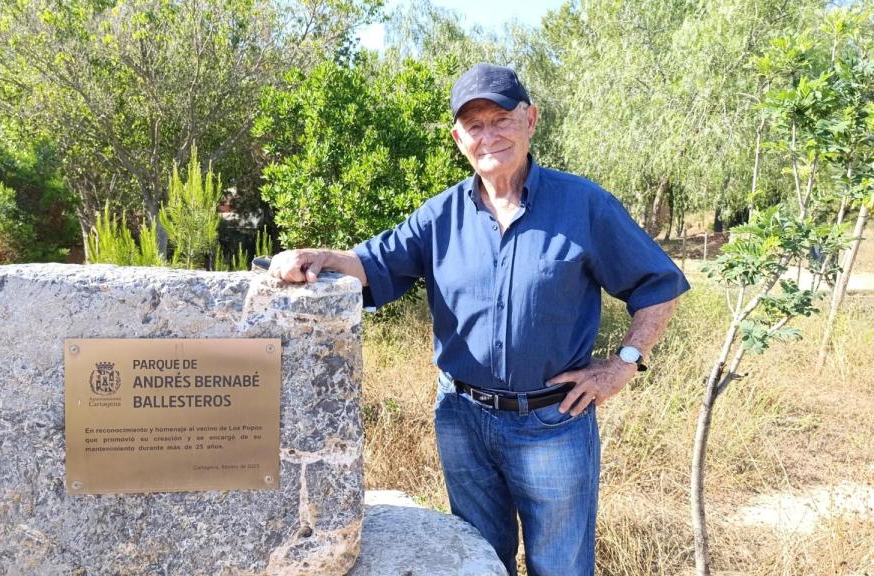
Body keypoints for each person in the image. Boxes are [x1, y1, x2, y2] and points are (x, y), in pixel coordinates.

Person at [268, 63, 690, 576]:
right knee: (478, 563)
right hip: (462, 421)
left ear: (530, 120)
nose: (489, 135)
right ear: (458, 138)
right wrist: (319, 256)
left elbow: (658, 284)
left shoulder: (585, 205)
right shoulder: (440, 215)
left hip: (553, 424)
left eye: (501, 119)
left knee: (559, 566)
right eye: (474, 125)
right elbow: (375, 264)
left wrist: (623, 364)